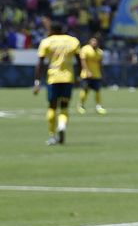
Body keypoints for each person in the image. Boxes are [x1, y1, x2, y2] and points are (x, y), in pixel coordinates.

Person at [34, 18, 81, 146]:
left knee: (52, 107)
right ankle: (62, 125)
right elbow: (79, 60)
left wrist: (37, 81)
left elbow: (40, 63)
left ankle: (52, 136)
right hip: (68, 78)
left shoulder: (47, 42)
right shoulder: (73, 41)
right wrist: (78, 77)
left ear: (52, 30)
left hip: (53, 78)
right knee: (64, 106)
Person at [77, 33, 107, 113]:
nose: (94, 43)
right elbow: (83, 62)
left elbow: (100, 64)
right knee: (85, 90)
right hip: (86, 75)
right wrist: (87, 71)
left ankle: (98, 106)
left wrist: (102, 73)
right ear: (90, 42)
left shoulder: (100, 52)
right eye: (93, 41)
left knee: (97, 91)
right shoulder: (85, 49)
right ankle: (81, 105)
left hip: (96, 74)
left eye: (95, 41)